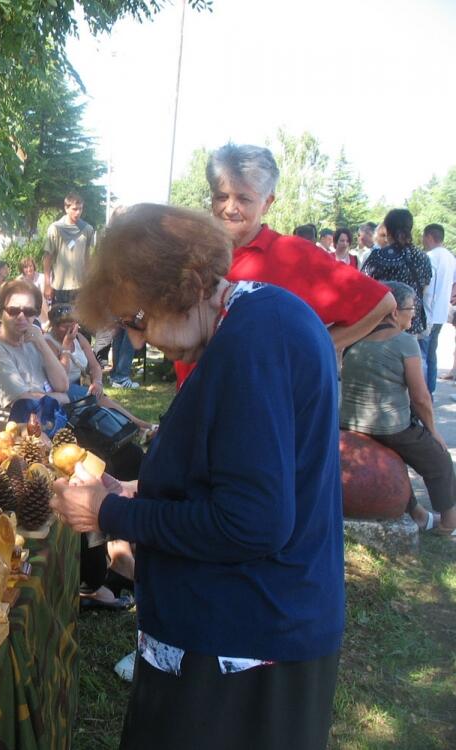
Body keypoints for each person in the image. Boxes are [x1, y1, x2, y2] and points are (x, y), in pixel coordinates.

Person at [51, 203, 344, 750]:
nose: (135, 342)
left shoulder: (252, 344)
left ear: (179, 286)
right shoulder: (250, 321)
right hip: (234, 633)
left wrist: (111, 513)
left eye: (136, 320)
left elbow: (252, 522)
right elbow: (229, 473)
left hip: (245, 649)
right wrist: (136, 491)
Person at [174, 143, 393, 387]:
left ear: (267, 203)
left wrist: (314, 349)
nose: (230, 208)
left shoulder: (292, 254)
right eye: (221, 196)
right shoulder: (193, 253)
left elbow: (381, 303)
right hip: (190, 400)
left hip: (252, 410)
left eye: (243, 199)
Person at [340, 281, 456, 536]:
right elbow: (421, 397)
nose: (414, 313)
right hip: (390, 427)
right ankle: (448, 523)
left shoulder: (354, 335)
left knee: (400, 462)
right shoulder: (404, 342)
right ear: (394, 311)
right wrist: (433, 431)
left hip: (348, 422)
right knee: (439, 460)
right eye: (411, 308)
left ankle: (419, 515)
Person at [0, 279, 69, 420]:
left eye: (29, 311)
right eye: (13, 310)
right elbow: (25, 402)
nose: (22, 317)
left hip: (52, 416)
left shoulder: (33, 339)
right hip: (23, 430)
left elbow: (62, 384)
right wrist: (62, 398)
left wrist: (41, 343)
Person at [361, 209, 432, 341]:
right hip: (411, 324)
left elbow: (364, 288)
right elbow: (424, 289)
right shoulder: (423, 258)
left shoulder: (379, 256)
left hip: (383, 326)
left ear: (387, 229)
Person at [43, 191, 95, 305]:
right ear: (66, 208)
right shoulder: (55, 228)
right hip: (61, 287)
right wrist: (47, 284)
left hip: (81, 286)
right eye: (74, 209)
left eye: (80, 209)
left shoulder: (87, 229)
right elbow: (47, 258)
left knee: (82, 322)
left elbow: (88, 257)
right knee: (61, 321)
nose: (78, 212)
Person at [421, 224, 455, 394]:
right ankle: (431, 390)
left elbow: (425, 286)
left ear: (429, 236)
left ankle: (424, 391)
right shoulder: (451, 258)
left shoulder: (429, 257)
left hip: (428, 313)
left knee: (423, 355)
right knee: (432, 354)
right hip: (441, 313)